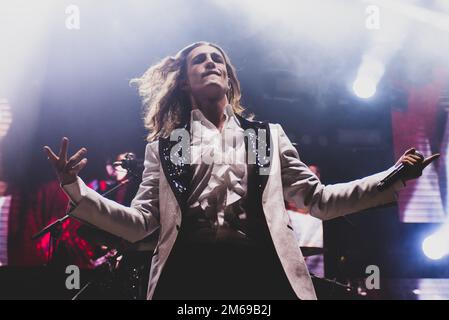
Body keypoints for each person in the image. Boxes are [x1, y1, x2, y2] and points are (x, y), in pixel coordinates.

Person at [44, 41, 439, 300]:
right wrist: (75, 187)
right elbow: (141, 223)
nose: (211, 62)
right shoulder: (163, 148)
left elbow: (318, 200)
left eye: (218, 59)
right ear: (184, 80)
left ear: (229, 78)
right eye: (200, 59)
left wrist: (392, 177)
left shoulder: (267, 136)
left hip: (261, 276)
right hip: (189, 280)